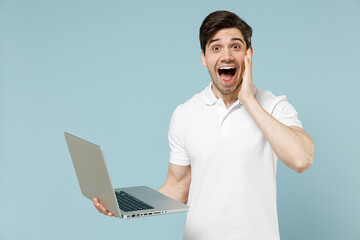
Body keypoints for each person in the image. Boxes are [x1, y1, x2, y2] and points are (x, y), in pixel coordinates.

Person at [93, 10, 314, 240]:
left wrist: (248, 100)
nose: (226, 56)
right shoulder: (185, 113)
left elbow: (301, 159)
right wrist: (126, 205)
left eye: (236, 47)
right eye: (216, 48)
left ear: (249, 54)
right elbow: (177, 187)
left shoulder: (273, 106)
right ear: (203, 57)